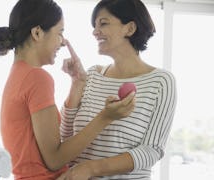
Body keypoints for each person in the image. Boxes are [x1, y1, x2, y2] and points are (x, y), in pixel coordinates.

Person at [0, 0, 135, 179]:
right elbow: (55, 159)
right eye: (60, 33)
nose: (63, 42)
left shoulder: (18, 75)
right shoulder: (37, 77)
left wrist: (77, 83)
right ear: (37, 33)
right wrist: (106, 117)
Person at [59, 0, 177, 179]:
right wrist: (76, 84)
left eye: (103, 23)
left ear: (129, 28)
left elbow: (152, 150)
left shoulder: (161, 82)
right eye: (94, 25)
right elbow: (65, 139)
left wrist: (91, 168)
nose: (94, 31)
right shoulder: (91, 75)